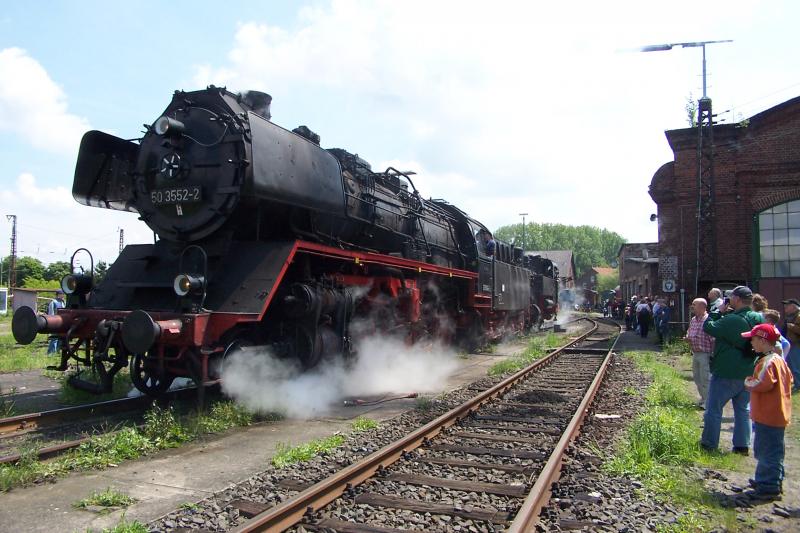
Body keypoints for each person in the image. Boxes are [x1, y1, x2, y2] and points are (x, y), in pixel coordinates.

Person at [700, 285, 763, 454]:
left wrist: (717, 311)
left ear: (736, 299)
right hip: (749, 370)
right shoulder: (758, 318)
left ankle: (709, 443)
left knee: (714, 409)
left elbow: (708, 327)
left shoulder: (732, 320)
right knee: (743, 410)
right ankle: (742, 446)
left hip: (726, 371)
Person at [741, 323, 793, 499]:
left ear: (763, 341)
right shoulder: (779, 360)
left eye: (753, 340)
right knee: (774, 450)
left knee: (766, 450)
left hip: (768, 414)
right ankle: (772, 479)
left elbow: (762, 382)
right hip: (778, 413)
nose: (751, 343)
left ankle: (768, 486)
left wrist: (748, 382)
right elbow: (790, 380)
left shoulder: (767, 361)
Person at [685, 298, 714, 408]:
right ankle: (703, 398)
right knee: (697, 377)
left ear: (702, 306)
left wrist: (712, 354)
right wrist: (688, 337)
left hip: (705, 353)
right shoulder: (693, 319)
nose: (692, 307)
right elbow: (690, 331)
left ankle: (708, 402)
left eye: (694, 305)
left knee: (705, 378)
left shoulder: (708, 320)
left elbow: (713, 339)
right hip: (695, 352)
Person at [780, 298, 800, 392]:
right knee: (792, 366)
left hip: (796, 344)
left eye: (787, 305)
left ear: (793, 307)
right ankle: (796, 384)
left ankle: (798, 385)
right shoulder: (791, 316)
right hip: (791, 344)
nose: (785, 307)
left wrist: (791, 326)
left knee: (796, 366)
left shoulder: (798, 316)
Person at [46, 290, 66, 355]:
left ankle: (58, 351)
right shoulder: (53, 302)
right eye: (61, 294)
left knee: (61, 338)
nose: (63, 295)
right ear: (58, 294)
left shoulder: (64, 302)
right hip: (55, 322)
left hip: (62, 322)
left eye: (63, 294)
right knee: (54, 338)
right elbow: (51, 313)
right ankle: (51, 352)